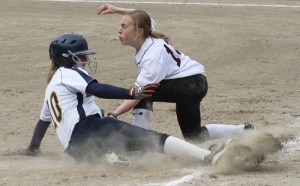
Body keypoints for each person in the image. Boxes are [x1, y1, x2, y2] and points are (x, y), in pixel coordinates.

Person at [22, 33, 232, 167]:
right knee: (155, 139)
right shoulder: (67, 73)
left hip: (77, 150)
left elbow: (43, 123)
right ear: (66, 58)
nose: (86, 59)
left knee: (139, 150)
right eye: (81, 56)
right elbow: (97, 88)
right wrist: (130, 93)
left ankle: (110, 157)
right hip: (89, 129)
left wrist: (33, 149)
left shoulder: (51, 88)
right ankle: (208, 156)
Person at [96, 4, 255, 143]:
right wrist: (116, 10)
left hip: (189, 84)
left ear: (139, 31)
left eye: (124, 26)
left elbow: (138, 94)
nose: (119, 30)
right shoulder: (147, 31)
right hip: (194, 82)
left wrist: (113, 115)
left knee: (144, 93)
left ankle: (138, 141)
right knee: (194, 137)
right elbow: (143, 15)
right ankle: (244, 130)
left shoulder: (152, 58)